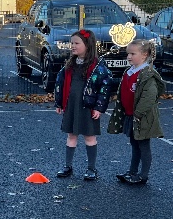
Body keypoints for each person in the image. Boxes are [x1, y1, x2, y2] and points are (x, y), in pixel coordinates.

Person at [53, 29, 114, 181]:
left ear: (88, 45)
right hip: (71, 105)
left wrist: (99, 107)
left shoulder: (97, 67)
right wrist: (59, 102)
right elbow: (60, 84)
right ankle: (67, 166)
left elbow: (105, 87)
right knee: (71, 135)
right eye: (72, 43)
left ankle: (91, 168)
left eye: (76, 43)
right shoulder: (69, 66)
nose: (73, 46)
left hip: (88, 107)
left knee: (89, 137)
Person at [107, 39, 165, 185]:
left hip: (142, 117)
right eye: (128, 54)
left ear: (144, 55)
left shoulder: (147, 74)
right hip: (131, 115)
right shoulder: (129, 72)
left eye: (133, 54)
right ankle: (132, 172)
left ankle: (143, 175)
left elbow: (149, 97)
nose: (129, 57)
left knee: (143, 146)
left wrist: (138, 113)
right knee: (135, 144)